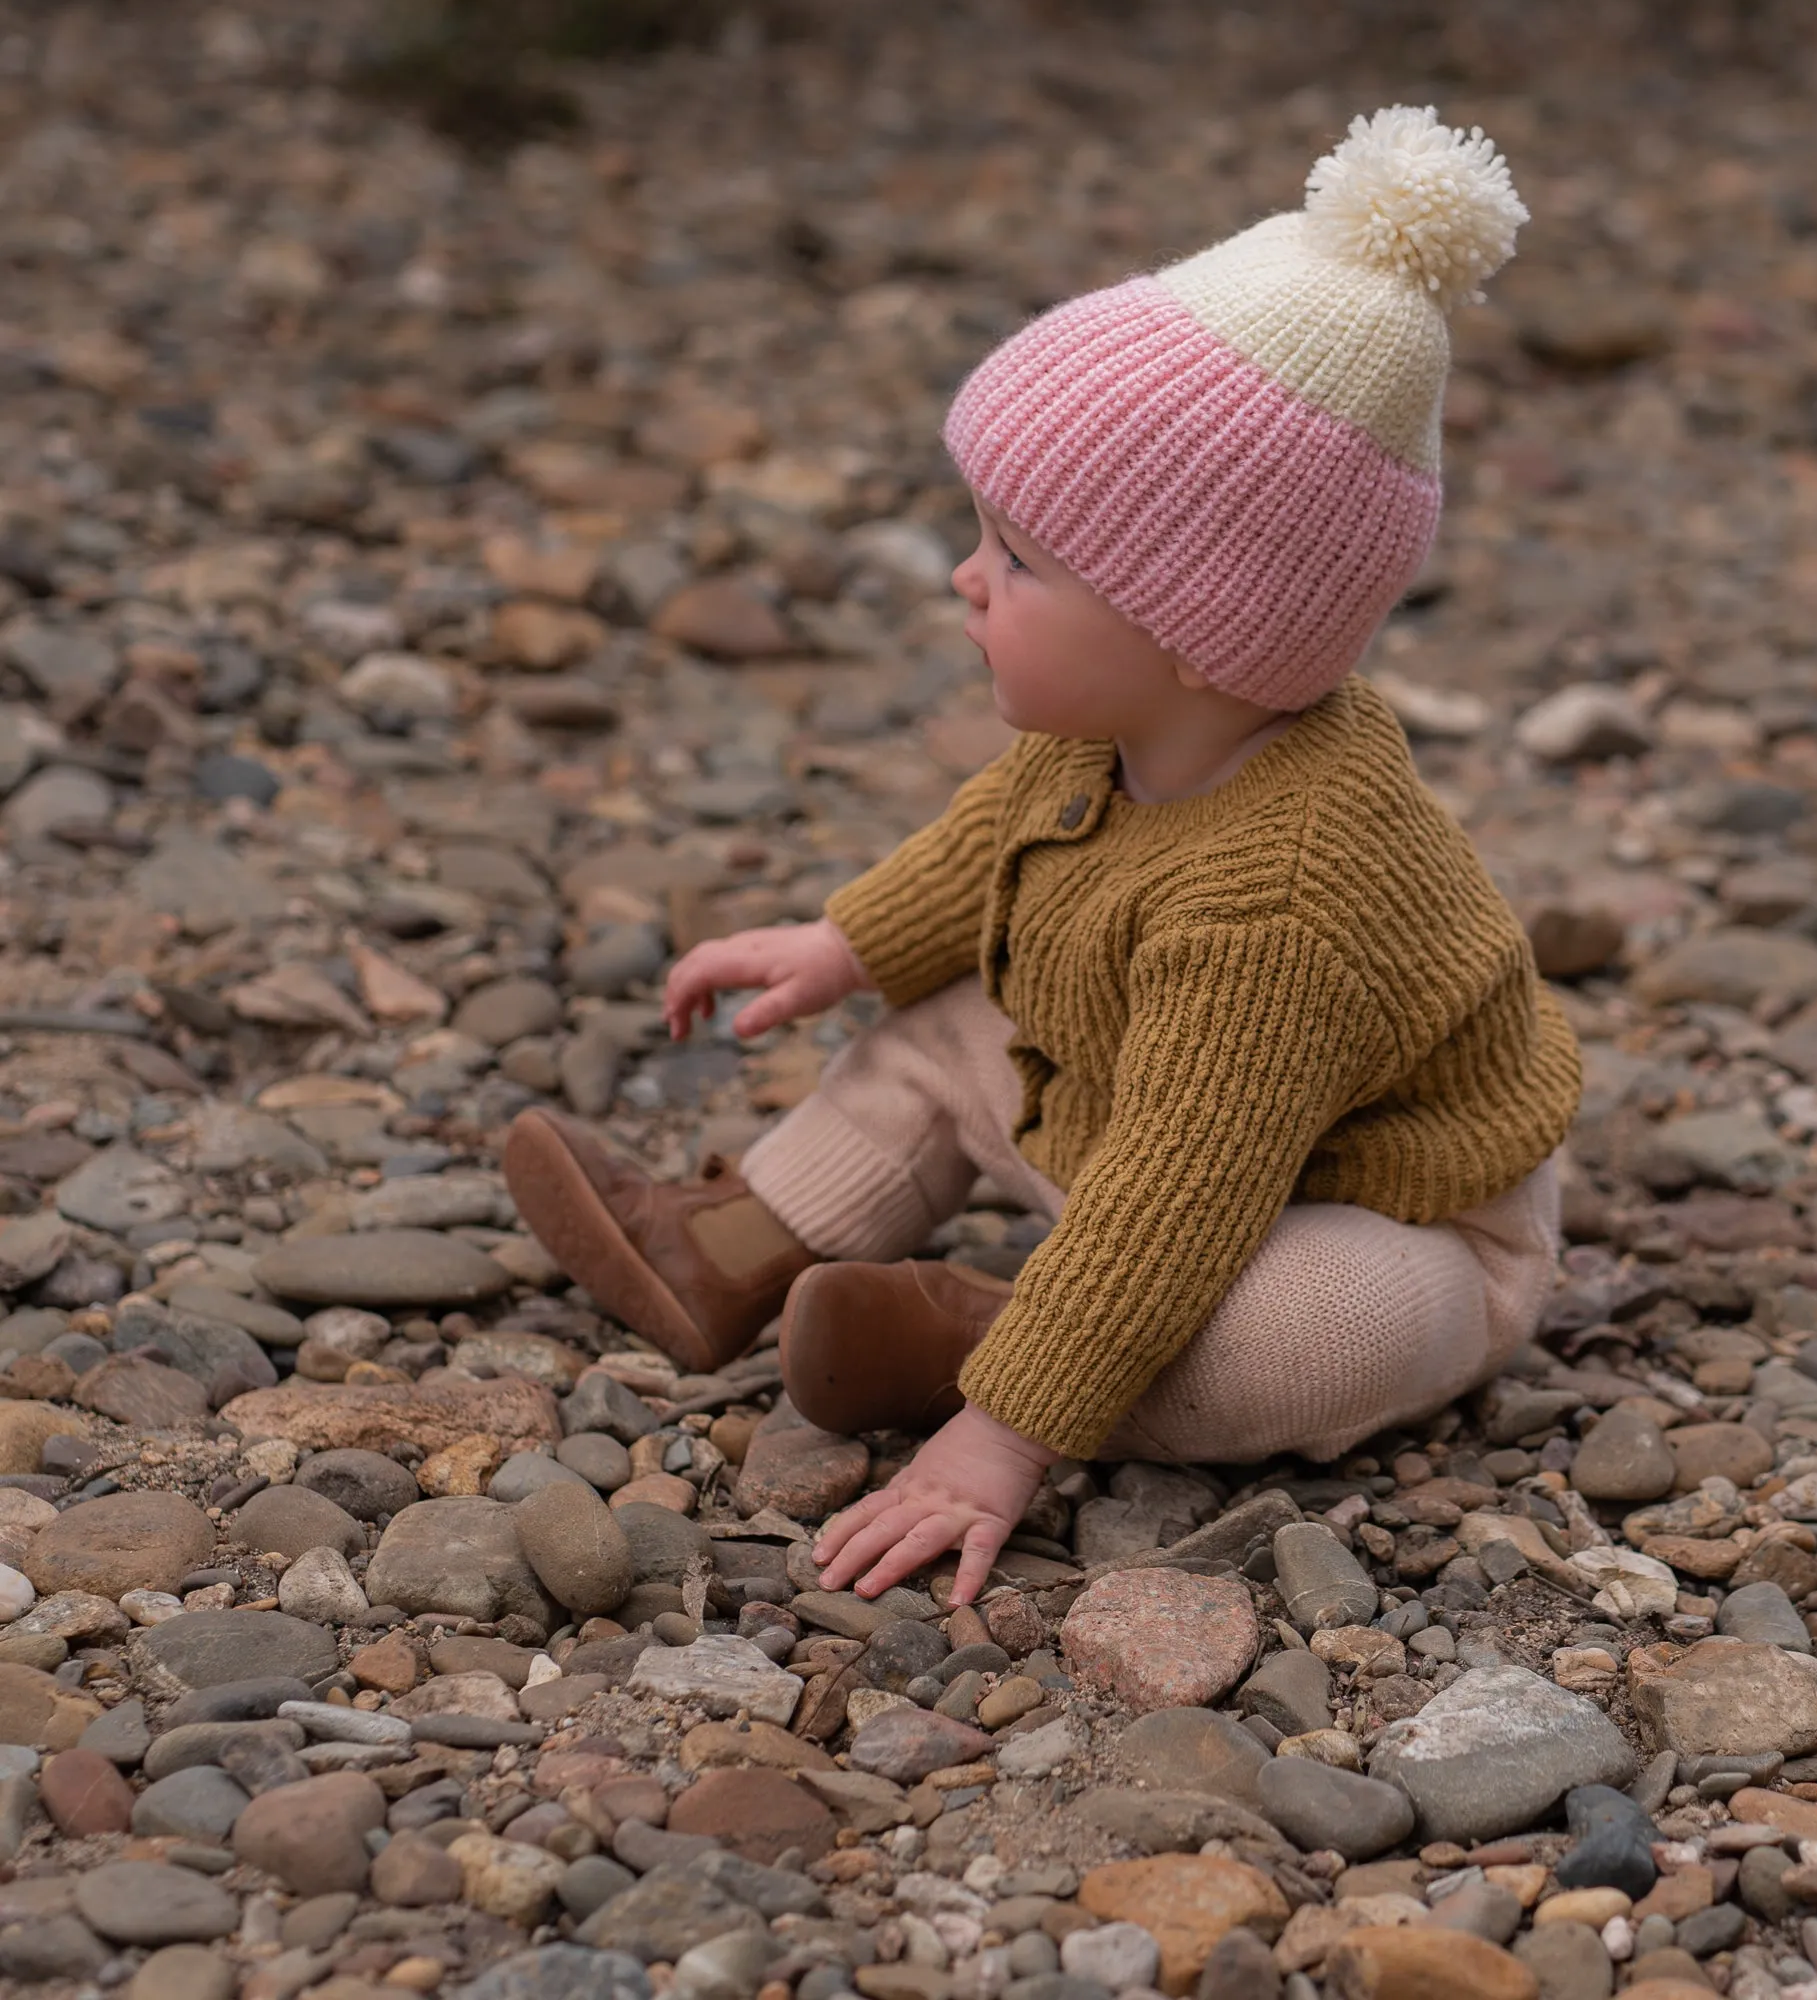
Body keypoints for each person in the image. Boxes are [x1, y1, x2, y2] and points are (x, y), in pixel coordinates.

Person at [503, 106, 1582, 1611]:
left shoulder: (1278, 905)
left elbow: (1174, 1196)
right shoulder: (1121, 731)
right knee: (947, 1025)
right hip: (1165, 1112)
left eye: (1018, 560)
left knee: (1288, 1330)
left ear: (1199, 635)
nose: (965, 576)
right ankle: (729, 1246)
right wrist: (846, 943)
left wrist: (995, 1442)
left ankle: (980, 1347)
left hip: (1387, 1212)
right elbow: (986, 847)